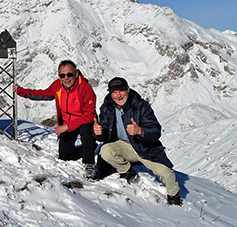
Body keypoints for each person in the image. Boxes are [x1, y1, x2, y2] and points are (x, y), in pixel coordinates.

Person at [93, 77, 182, 206]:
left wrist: (140, 131)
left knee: (167, 174)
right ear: (110, 94)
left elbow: (156, 130)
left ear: (128, 89)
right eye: (114, 92)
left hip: (144, 147)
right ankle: (126, 171)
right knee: (106, 150)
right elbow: (105, 131)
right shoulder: (107, 107)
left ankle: (174, 197)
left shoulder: (140, 106)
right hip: (124, 145)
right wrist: (98, 133)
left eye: (121, 91)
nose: (118, 95)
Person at [13, 60, 98, 179]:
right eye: (62, 75)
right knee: (64, 156)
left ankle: (89, 164)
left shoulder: (85, 88)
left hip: (83, 120)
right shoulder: (57, 86)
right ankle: (91, 147)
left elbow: (89, 115)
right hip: (67, 122)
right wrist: (21, 91)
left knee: (86, 130)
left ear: (76, 74)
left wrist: (67, 126)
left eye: (69, 74)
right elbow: (43, 95)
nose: (66, 78)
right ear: (59, 76)